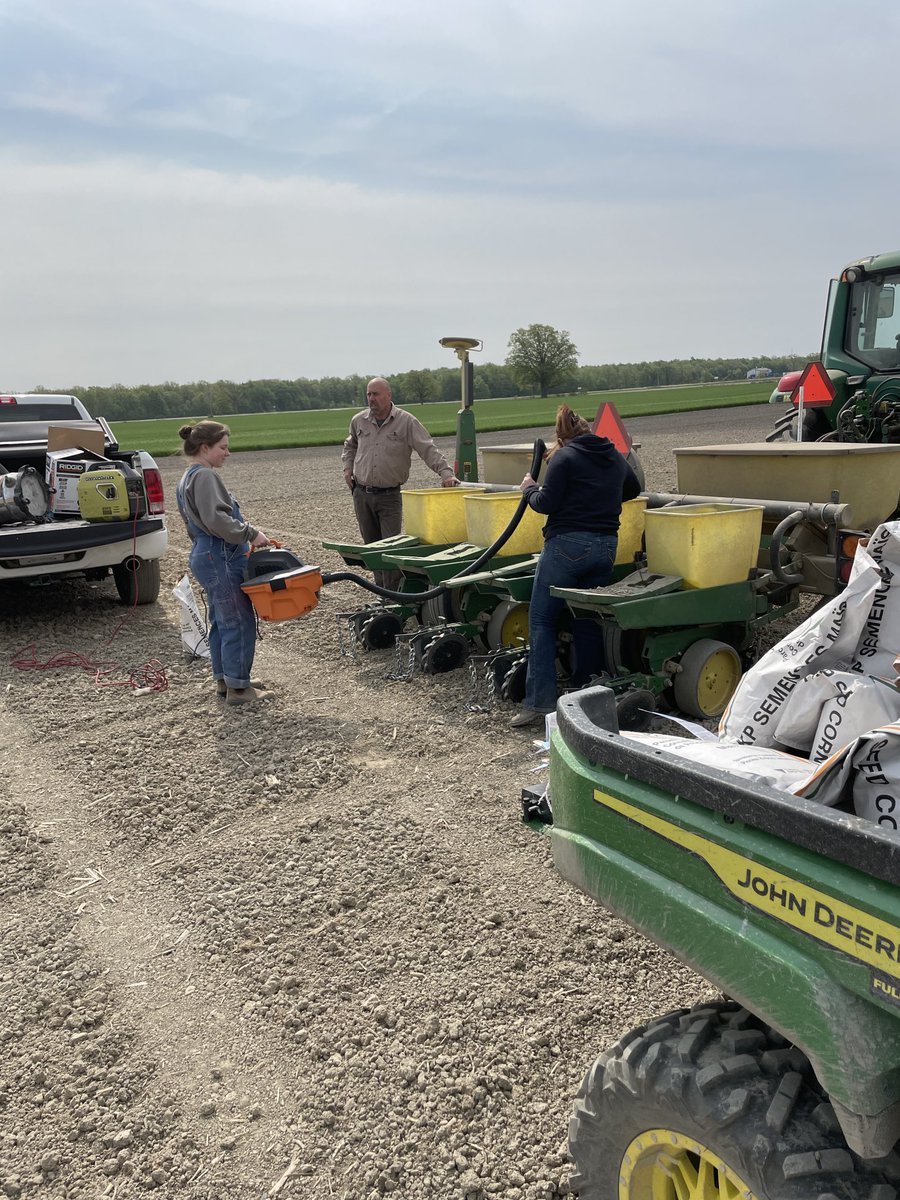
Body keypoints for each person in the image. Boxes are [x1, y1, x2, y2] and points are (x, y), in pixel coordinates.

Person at [510, 405, 642, 729]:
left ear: (562, 438)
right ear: (588, 431)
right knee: (586, 618)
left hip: (567, 547)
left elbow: (546, 504)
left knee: (542, 620)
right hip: (606, 547)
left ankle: (539, 702)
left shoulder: (564, 458)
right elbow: (633, 488)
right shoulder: (613, 456)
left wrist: (529, 489)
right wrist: (601, 499)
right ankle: (585, 693)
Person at [176, 420, 273, 706]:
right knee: (237, 620)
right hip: (220, 555)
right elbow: (217, 520)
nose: (227, 453)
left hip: (205, 553)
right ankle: (239, 690)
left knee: (221, 620)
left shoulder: (187, 477)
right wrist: (251, 534)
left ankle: (226, 679)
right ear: (205, 447)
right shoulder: (205, 476)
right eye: (223, 447)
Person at [342, 377, 459, 590]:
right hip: (362, 494)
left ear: (389, 395)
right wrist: (347, 468)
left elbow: (427, 449)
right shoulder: (358, 421)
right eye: (368, 394)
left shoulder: (406, 422)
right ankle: (381, 591)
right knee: (372, 548)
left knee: (391, 548)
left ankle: (393, 594)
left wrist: (445, 473)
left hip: (389, 496)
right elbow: (350, 446)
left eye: (376, 394)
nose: (371, 399)